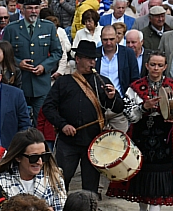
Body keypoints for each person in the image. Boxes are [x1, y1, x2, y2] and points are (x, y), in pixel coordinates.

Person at [107, 52, 173, 211]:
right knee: (142, 176)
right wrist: (143, 107)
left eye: (159, 65)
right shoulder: (136, 87)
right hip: (141, 137)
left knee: (159, 179)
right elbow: (128, 112)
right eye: (152, 64)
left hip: (164, 140)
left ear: (165, 66)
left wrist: (172, 112)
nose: (156, 68)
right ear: (146, 65)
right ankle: (143, 210)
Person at [41, 41, 124, 196]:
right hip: (68, 142)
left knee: (91, 187)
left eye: (94, 58)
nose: (92, 62)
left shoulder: (103, 82)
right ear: (78, 59)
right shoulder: (63, 82)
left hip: (93, 143)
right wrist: (63, 124)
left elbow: (119, 108)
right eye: (88, 58)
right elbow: (48, 107)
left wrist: (113, 97)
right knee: (60, 182)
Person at [3, 0, 63, 119]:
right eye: (30, 8)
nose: (34, 11)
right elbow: (3, 53)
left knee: (40, 120)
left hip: (41, 84)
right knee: (18, 119)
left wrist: (44, 66)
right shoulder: (11, 29)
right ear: (22, 9)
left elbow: (57, 52)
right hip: (19, 83)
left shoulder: (49, 27)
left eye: (36, 8)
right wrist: (18, 63)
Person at [0, 128, 67, 211]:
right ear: (18, 157)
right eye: (33, 157)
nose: (39, 162)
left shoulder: (54, 177)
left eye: (44, 156)